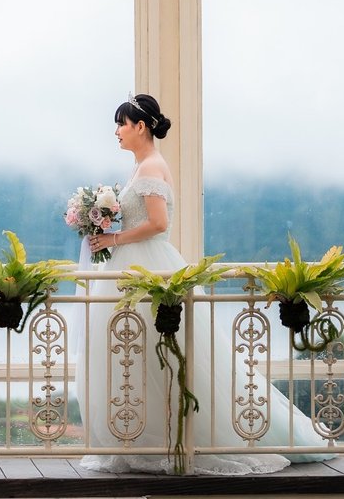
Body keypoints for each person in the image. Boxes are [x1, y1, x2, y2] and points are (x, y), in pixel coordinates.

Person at [78, 94, 330, 475]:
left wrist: (112, 239)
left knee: (155, 354)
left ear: (140, 127)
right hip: (139, 264)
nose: (117, 131)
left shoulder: (149, 168)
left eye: (122, 124)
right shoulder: (144, 166)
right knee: (139, 356)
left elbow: (159, 225)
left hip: (149, 268)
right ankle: (146, 434)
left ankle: (171, 437)